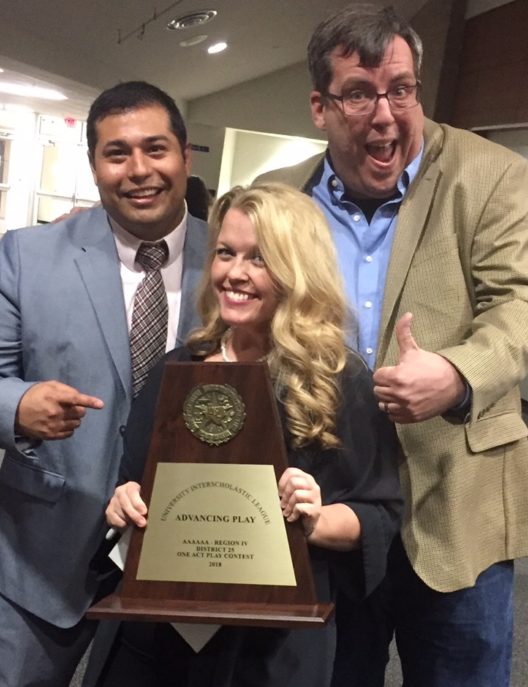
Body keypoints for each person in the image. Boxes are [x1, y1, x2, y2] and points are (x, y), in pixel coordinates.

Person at [256, 5, 528, 686]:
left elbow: (524, 307)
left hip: (456, 503)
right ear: (320, 106)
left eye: (402, 88)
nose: (387, 114)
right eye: (360, 93)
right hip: (329, 507)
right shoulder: (281, 198)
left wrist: (456, 372)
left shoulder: (488, 175)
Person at [0, 81, 208, 686]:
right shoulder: (28, 255)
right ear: (94, 166)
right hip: (42, 553)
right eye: (117, 153)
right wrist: (16, 404)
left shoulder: (236, 261)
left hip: (188, 549)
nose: (139, 170)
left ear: (186, 157)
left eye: (156, 149)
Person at [98, 183, 401, 687]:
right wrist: (123, 503)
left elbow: (380, 514)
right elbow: (132, 485)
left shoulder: (340, 381)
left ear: (296, 270)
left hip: (272, 643)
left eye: (259, 258)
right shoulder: (180, 368)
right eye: (225, 253)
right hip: (162, 632)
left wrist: (315, 518)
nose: (234, 273)